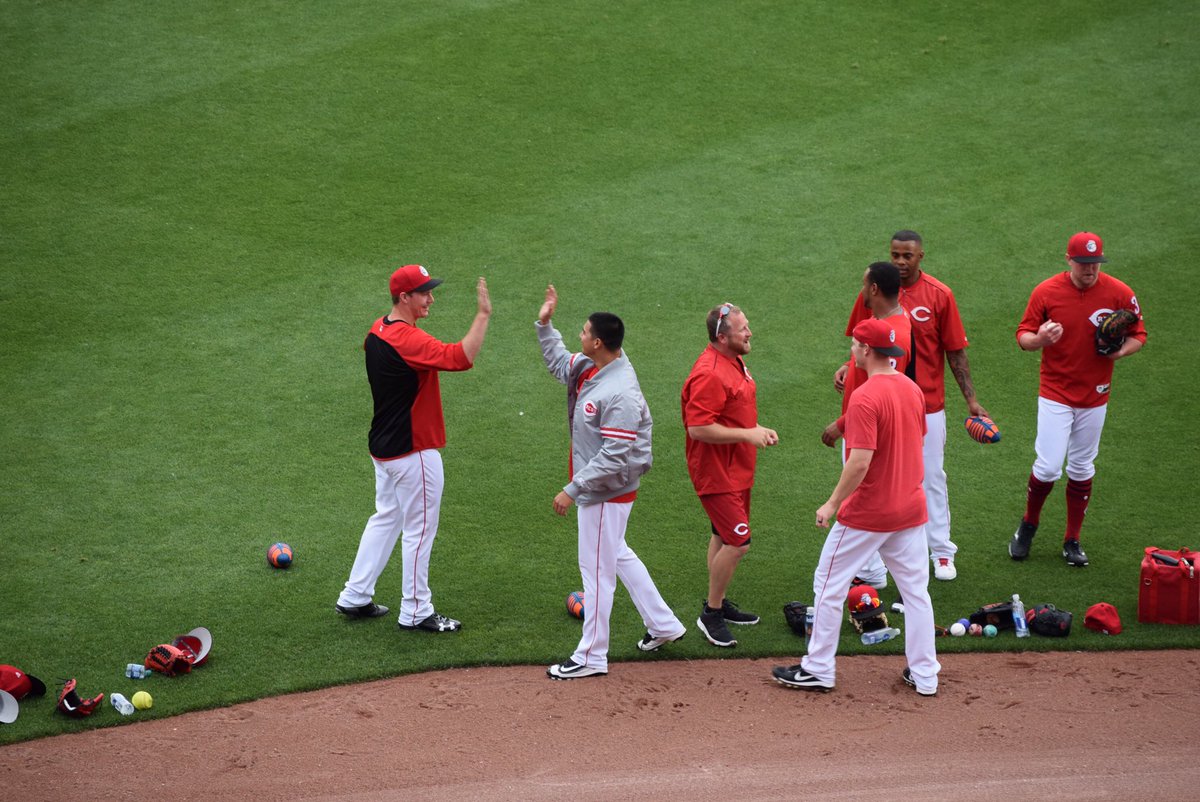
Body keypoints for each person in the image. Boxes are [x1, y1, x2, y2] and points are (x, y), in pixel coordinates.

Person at [773, 318, 939, 696]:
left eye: (854, 345)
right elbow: (917, 442)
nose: (851, 350)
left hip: (870, 512)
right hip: (911, 510)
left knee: (828, 584)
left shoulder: (865, 396)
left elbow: (860, 460)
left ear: (865, 350)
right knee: (916, 593)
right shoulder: (912, 390)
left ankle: (817, 669)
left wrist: (832, 503)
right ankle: (926, 675)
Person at [536, 285, 685, 679]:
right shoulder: (594, 366)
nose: (579, 336)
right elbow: (558, 364)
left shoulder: (619, 393)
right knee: (616, 555)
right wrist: (545, 324)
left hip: (607, 491)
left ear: (598, 342)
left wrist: (572, 489)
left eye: (583, 332)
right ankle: (663, 624)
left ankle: (591, 656)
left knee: (596, 572)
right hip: (603, 488)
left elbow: (615, 456)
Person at [335, 264, 491, 631]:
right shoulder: (408, 340)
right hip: (413, 451)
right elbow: (461, 357)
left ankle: (354, 595)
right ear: (404, 297)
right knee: (419, 530)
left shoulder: (378, 329)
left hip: (384, 447)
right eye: (424, 292)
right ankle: (417, 610)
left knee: (387, 517)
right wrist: (483, 315)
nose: (431, 298)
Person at [838, 231, 987, 581]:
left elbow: (955, 350)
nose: (901, 262)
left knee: (930, 476)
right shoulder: (876, 291)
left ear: (921, 256)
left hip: (928, 405)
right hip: (883, 407)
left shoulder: (939, 295)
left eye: (908, 255)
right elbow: (862, 345)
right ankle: (877, 560)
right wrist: (847, 367)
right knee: (879, 477)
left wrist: (971, 400)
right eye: (895, 255)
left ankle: (942, 551)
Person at [1009, 231, 1146, 567]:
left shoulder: (1119, 293)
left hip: (1095, 395)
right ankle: (1028, 524)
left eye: (1095, 262)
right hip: (1055, 393)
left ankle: (1072, 539)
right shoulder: (1046, 292)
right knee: (1049, 466)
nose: (1090, 269)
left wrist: (1119, 353)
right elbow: (1022, 337)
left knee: (1082, 466)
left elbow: (1139, 333)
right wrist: (1040, 338)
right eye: (1083, 263)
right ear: (1068, 259)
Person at [682, 303, 779, 648]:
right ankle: (710, 613)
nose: (749, 333)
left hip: (737, 466)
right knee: (739, 542)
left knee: (723, 536)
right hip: (716, 472)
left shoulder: (733, 359)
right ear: (722, 338)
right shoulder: (709, 373)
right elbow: (698, 428)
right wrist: (747, 434)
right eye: (742, 330)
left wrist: (753, 430)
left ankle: (718, 604)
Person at [824, 262, 913, 591]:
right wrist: (849, 366)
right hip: (860, 424)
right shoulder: (887, 325)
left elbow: (888, 390)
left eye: (864, 284)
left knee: (859, 496)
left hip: (865, 429)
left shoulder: (898, 332)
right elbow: (872, 362)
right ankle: (871, 566)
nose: (861, 289)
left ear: (874, 289)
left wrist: (840, 425)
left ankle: (872, 569)